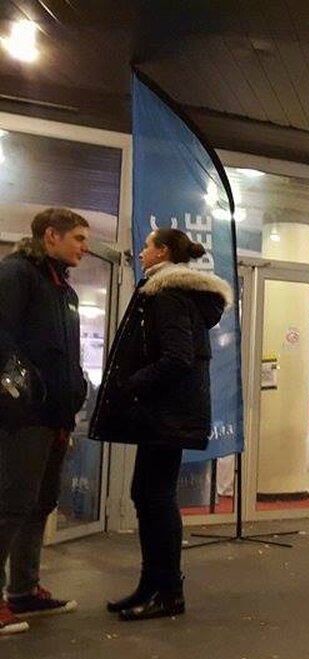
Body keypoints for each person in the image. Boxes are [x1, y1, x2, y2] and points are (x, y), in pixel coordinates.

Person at [89, 228, 232, 621]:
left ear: (163, 251)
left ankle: (168, 592)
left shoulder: (168, 294)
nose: (141, 252)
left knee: (156, 498)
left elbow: (177, 358)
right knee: (146, 494)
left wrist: (130, 385)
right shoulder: (171, 293)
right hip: (165, 415)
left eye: (147, 246)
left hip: (165, 414)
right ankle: (151, 584)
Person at [0, 208, 91, 635]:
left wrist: (77, 386)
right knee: (10, 505)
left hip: (56, 416)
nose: (84, 247)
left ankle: (23, 590)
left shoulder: (63, 288)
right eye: (78, 238)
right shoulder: (17, 274)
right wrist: (21, 387)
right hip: (24, 416)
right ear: (51, 235)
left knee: (40, 503)